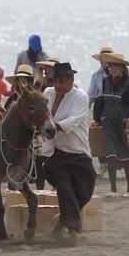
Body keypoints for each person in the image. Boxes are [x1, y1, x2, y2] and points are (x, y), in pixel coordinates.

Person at [41, 62, 96, 234]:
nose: (57, 85)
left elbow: (72, 122)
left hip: (79, 154)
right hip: (54, 155)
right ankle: (73, 226)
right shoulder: (47, 94)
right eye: (55, 81)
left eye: (62, 81)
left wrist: (52, 127)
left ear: (71, 80)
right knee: (64, 187)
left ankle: (62, 222)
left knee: (84, 192)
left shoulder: (81, 97)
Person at [93, 52, 129, 197]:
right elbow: (100, 101)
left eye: (116, 66)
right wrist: (96, 119)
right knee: (110, 155)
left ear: (122, 68)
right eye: (111, 66)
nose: (113, 69)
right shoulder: (106, 82)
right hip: (108, 122)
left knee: (127, 156)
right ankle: (113, 189)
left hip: (124, 124)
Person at [87, 46, 113, 177]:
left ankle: (113, 161)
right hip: (100, 107)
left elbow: (128, 92)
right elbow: (91, 94)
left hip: (114, 105)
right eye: (103, 59)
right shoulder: (96, 75)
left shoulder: (119, 73)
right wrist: (82, 108)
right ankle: (103, 164)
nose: (106, 61)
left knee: (113, 134)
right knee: (98, 135)